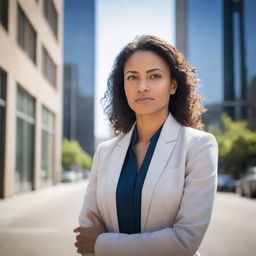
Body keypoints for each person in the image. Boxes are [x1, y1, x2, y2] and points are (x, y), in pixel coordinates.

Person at [73, 35, 218, 256]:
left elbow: (185, 241)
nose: (142, 87)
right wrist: (95, 243)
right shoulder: (105, 152)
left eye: (154, 76)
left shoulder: (198, 146)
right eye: (132, 77)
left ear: (173, 85)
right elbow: (87, 231)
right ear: (123, 86)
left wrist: (102, 244)